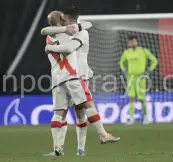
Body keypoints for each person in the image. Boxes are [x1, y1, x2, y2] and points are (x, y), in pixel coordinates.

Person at [44, 7, 120, 156]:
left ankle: (70, 149)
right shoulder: (71, 33)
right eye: (62, 18)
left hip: (58, 78)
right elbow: (70, 47)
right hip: (74, 76)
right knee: (86, 106)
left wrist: (50, 47)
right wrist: (69, 28)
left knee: (64, 113)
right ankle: (103, 134)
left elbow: (45, 30)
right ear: (61, 21)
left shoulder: (50, 37)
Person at [119, 35, 158, 125]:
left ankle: (146, 118)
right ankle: (131, 119)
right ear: (129, 43)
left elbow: (154, 60)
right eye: (131, 42)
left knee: (142, 99)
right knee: (131, 98)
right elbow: (121, 62)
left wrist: (148, 71)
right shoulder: (126, 52)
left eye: (134, 41)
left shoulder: (143, 51)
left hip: (141, 78)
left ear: (137, 42)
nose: (132, 43)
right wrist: (124, 71)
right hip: (131, 78)